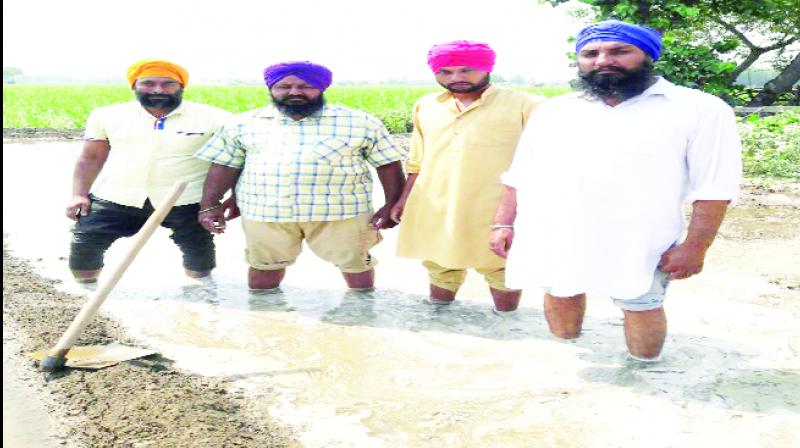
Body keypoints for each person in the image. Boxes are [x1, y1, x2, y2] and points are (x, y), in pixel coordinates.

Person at [491, 20, 742, 360]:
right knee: (560, 290)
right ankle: (565, 363)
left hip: (641, 236)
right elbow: (521, 174)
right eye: (590, 53)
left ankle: (645, 373)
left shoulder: (699, 109)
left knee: (641, 302)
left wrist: (696, 247)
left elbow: (714, 187)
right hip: (556, 230)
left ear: (647, 56)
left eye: (620, 51)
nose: (603, 60)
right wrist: (503, 223)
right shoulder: (555, 111)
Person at [194, 61, 406, 291]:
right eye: (284, 86)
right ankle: (263, 318)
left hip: (342, 213)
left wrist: (391, 204)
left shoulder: (361, 122)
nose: (294, 92)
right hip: (265, 212)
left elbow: (388, 165)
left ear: (321, 88)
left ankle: (362, 313)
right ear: (271, 89)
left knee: (356, 266)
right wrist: (209, 205)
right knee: (264, 268)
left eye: (306, 86)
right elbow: (224, 166)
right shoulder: (243, 123)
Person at [390, 40, 545, 312]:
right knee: (438, 262)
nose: (456, 79)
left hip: (496, 207)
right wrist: (404, 199)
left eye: (466, 70)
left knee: (501, 267)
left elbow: (548, 163)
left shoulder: (528, 105)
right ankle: (439, 323)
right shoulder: (426, 106)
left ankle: (507, 328)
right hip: (437, 204)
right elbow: (417, 161)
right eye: (445, 72)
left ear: (487, 68)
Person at [66, 60, 232, 283]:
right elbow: (91, 157)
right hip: (117, 196)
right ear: (134, 86)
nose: (157, 90)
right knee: (84, 249)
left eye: (168, 84)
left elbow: (229, 164)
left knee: (198, 258)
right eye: (148, 83)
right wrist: (78, 194)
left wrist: (214, 204)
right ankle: (85, 292)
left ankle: (201, 300)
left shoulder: (217, 118)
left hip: (187, 201)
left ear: (182, 86)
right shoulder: (106, 116)